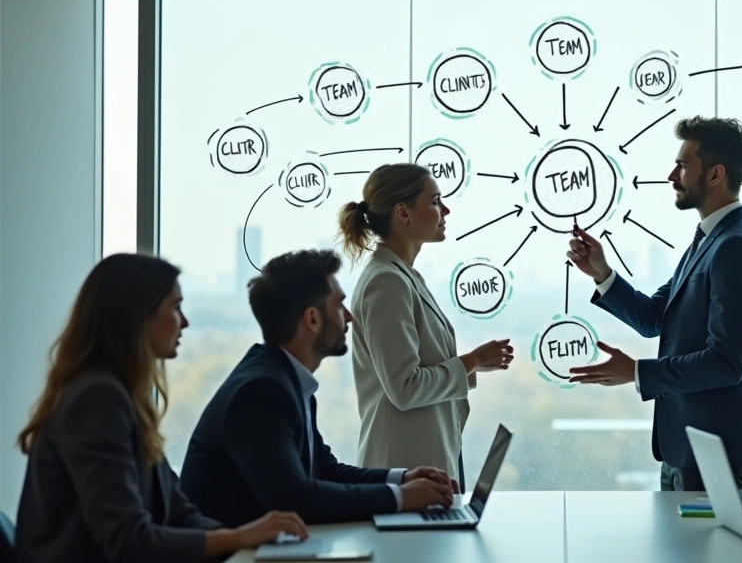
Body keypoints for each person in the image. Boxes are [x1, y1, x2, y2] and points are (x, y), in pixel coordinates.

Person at [14, 253, 307, 563]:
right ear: (136, 315)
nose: (185, 322)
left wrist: (246, 545)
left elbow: (179, 511)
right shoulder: (97, 399)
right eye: (175, 307)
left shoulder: (120, 396)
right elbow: (130, 541)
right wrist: (236, 538)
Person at [566, 115, 742, 491]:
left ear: (715, 175)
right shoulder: (709, 240)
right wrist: (602, 273)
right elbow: (654, 317)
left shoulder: (736, 247)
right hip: (688, 446)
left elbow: (727, 363)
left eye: (681, 165)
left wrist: (637, 373)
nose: (670, 175)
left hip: (714, 448)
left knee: (705, 552)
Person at [179, 249, 457, 527]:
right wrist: (400, 497)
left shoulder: (283, 378)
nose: (349, 316)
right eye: (339, 305)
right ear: (312, 319)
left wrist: (403, 478)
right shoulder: (261, 391)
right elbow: (296, 499)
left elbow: (323, 469)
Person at [338, 163, 514, 488]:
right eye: (435, 201)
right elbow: (405, 387)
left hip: (418, 467)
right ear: (402, 213)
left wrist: (476, 365)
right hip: (402, 473)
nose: (445, 209)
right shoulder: (386, 282)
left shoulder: (401, 276)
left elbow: (418, 371)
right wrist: (471, 360)